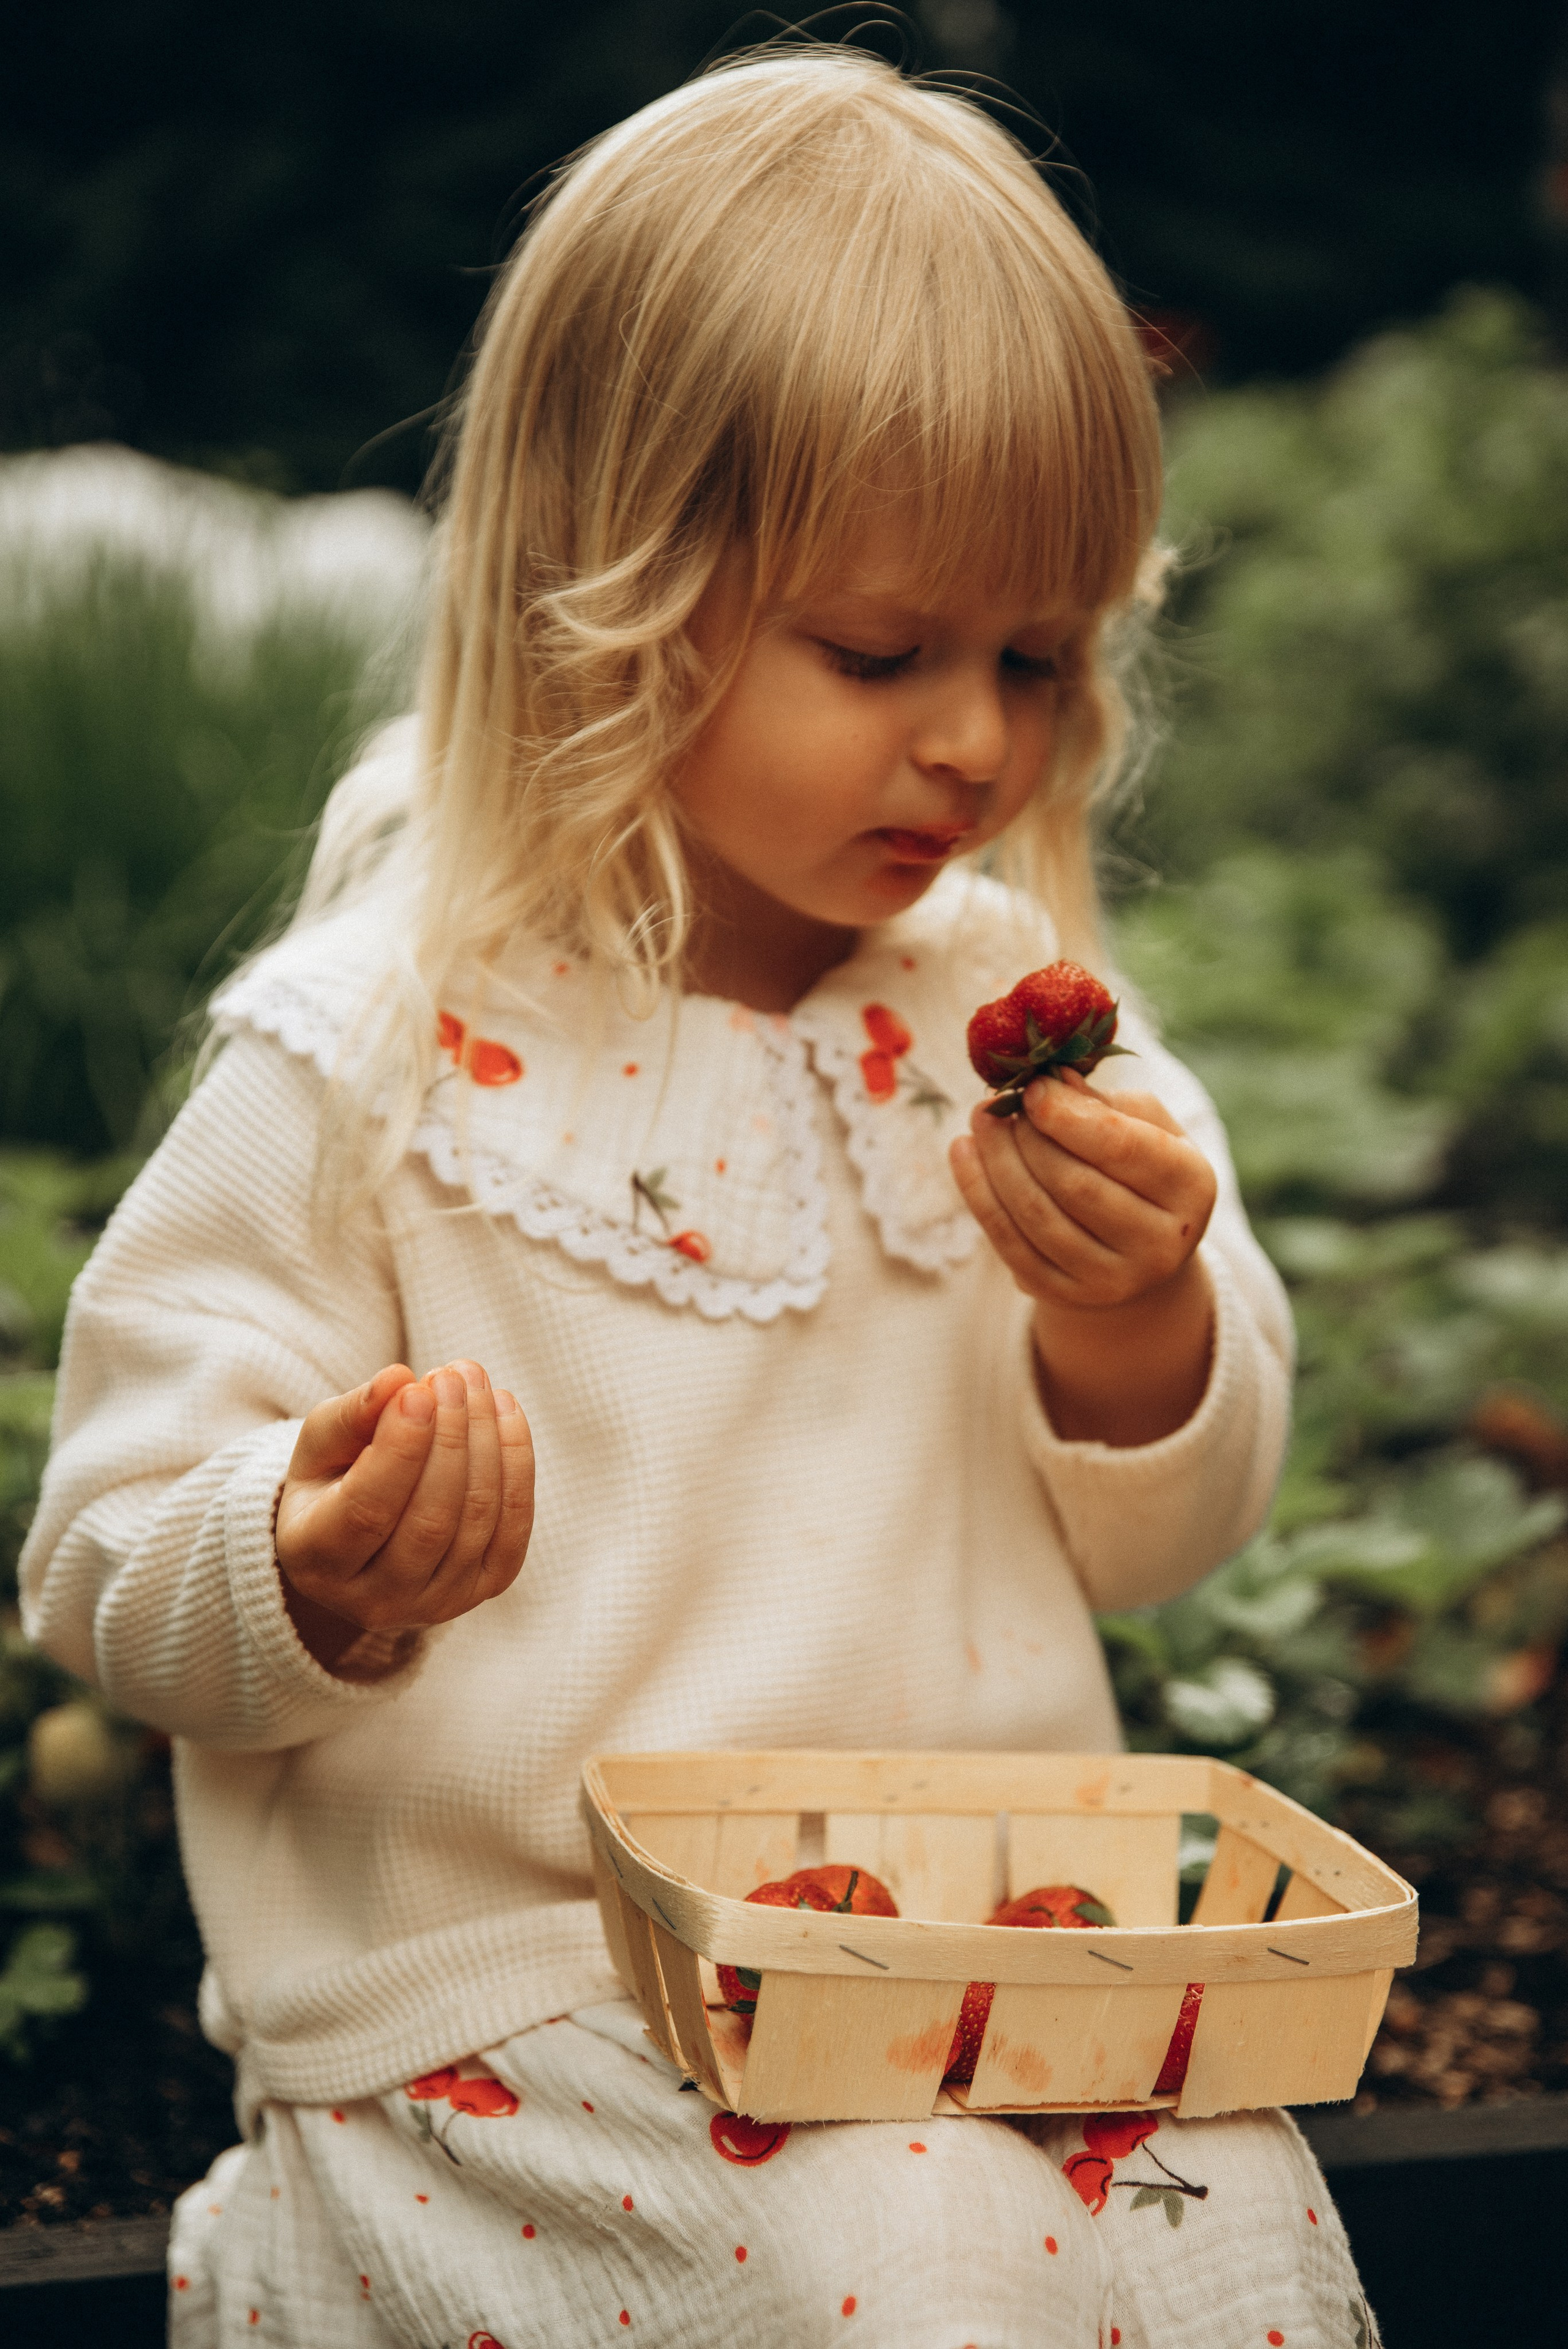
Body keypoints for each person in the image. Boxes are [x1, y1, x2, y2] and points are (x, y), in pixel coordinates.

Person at [20, 43, 1379, 2349]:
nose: (975, 739)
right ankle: (289, 2260)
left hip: (965, 1962)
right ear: (607, 595)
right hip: (524, 1992)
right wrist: (311, 1563)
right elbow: (100, 1560)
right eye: (884, 652)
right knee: (899, 2267)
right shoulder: (375, 1057)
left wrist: (1134, 1323)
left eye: (1036, 660)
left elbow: (1172, 1522)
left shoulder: (1026, 1029)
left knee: (1235, 2234)